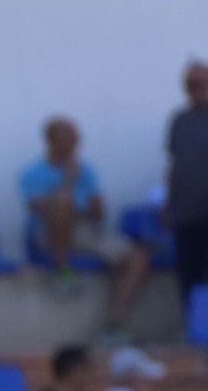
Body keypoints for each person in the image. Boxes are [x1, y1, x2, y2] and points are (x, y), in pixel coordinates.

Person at [20, 117, 149, 332]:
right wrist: (68, 182)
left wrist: (91, 206)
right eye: (68, 140)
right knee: (62, 200)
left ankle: (113, 325)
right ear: (51, 141)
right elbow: (44, 209)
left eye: (75, 140)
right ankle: (63, 272)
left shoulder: (86, 170)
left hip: (84, 233)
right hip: (47, 234)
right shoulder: (32, 173)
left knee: (138, 258)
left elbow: (97, 215)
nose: (73, 146)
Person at [166, 60, 208, 304]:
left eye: (203, 83)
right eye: (192, 84)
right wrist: (168, 203)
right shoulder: (179, 120)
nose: (198, 88)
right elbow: (175, 163)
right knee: (188, 273)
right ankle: (193, 328)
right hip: (186, 212)